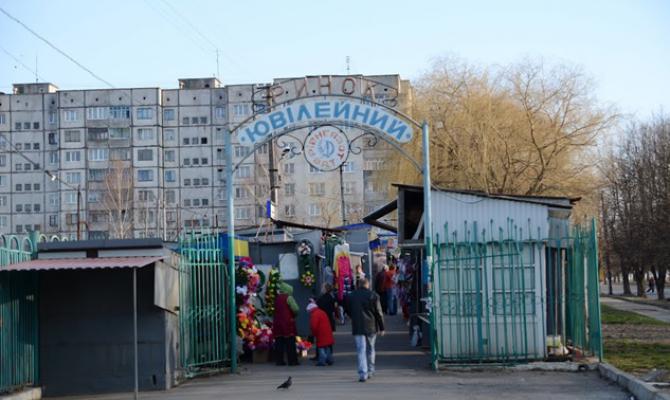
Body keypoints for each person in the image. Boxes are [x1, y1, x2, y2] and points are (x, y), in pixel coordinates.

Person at [346, 278, 385, 382]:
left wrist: (353, 316)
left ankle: (363, 373)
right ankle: (371, 370)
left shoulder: (351, 296)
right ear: (368, 284)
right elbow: (378, 312)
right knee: (371, 348)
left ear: (358, 285)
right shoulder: (373, 295)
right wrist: (382, 327)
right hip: (371, 326)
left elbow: (347, 309)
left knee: (361, 350)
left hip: (358, 325)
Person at [273, 281, 299, 366]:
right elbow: (296, 309)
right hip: (287, 323)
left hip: (277, 323)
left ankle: (279, 361)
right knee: (290, 343)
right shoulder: (289, 298)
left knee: (279, 342)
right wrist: (294, 315)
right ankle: (292, 361)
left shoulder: (277, 298)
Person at [307, 301, 334, 366]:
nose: (309, 312)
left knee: (321, 347)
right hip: (327, 332)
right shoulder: (322, 312)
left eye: (309, 311)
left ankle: (322, 361)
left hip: (320, 333)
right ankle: (329, 360)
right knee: (327, 346)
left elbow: (314, 326)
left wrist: (314, 333)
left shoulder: (314, 314)